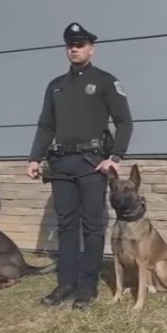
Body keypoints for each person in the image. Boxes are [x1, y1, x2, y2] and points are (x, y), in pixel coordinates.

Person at [27, 22, 133, 310]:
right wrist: (35, 158)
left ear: (92, 49)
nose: (74, 49)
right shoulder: (56, 86)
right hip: (61, 163)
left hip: (92, 164)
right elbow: (46, 125)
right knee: (66, 225)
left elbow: (124, 122)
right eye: (70, 45)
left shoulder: (105, 81)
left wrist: (116, 157)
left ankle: (87, 287)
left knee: (92, 226)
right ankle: (66, 283)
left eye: (80, 44)